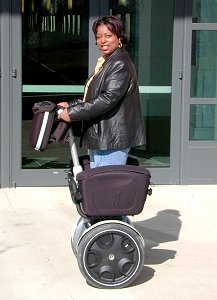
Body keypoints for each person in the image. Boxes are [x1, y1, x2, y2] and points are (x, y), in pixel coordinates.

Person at [58, 15, 146, 168]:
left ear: (119, 38)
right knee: (101, 185)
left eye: (108, 36)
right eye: (98, 37)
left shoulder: (119, 63)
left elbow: (107, 99)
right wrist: (70, 105)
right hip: (104, 136)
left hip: (111, 139)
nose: (102, 40)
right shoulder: (107, 61)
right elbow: (96, 96)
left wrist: (71, 113)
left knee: (106, 187)